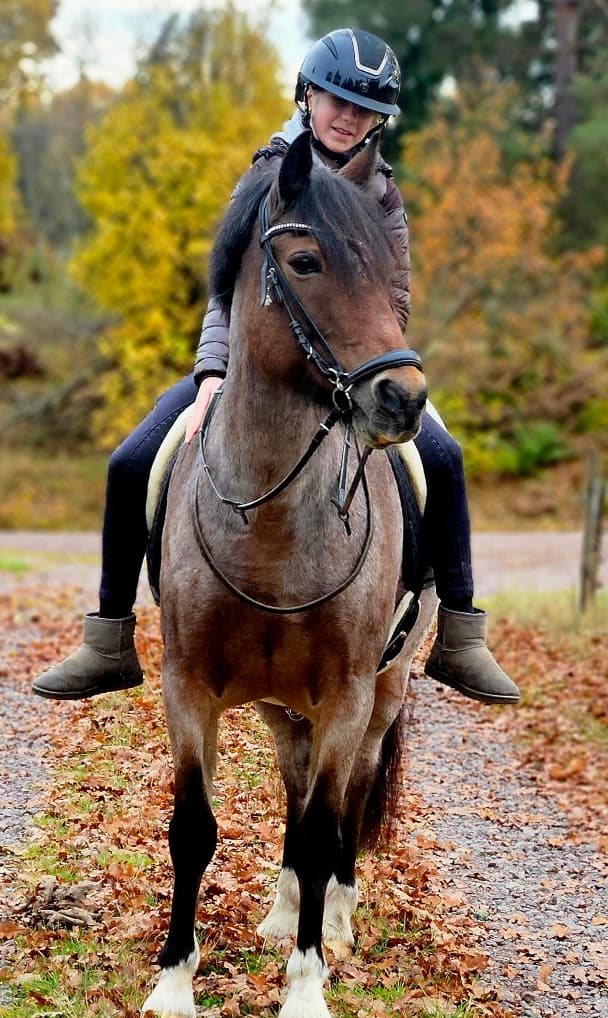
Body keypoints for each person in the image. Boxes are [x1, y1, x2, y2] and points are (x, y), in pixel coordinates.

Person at [32, 28, 519, 706]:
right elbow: (225, 291)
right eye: (335, 100)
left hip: (351, 370)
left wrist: (358, 373)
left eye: (364, 110)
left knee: (444, 456)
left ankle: (462, 637)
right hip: (246, 373)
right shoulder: (265, 177)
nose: (347, 118)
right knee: (129, 459)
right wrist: (211, 375)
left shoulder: (381, 197)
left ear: (377, 121)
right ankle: (107, 638)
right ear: (308, 96)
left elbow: (394, 298)